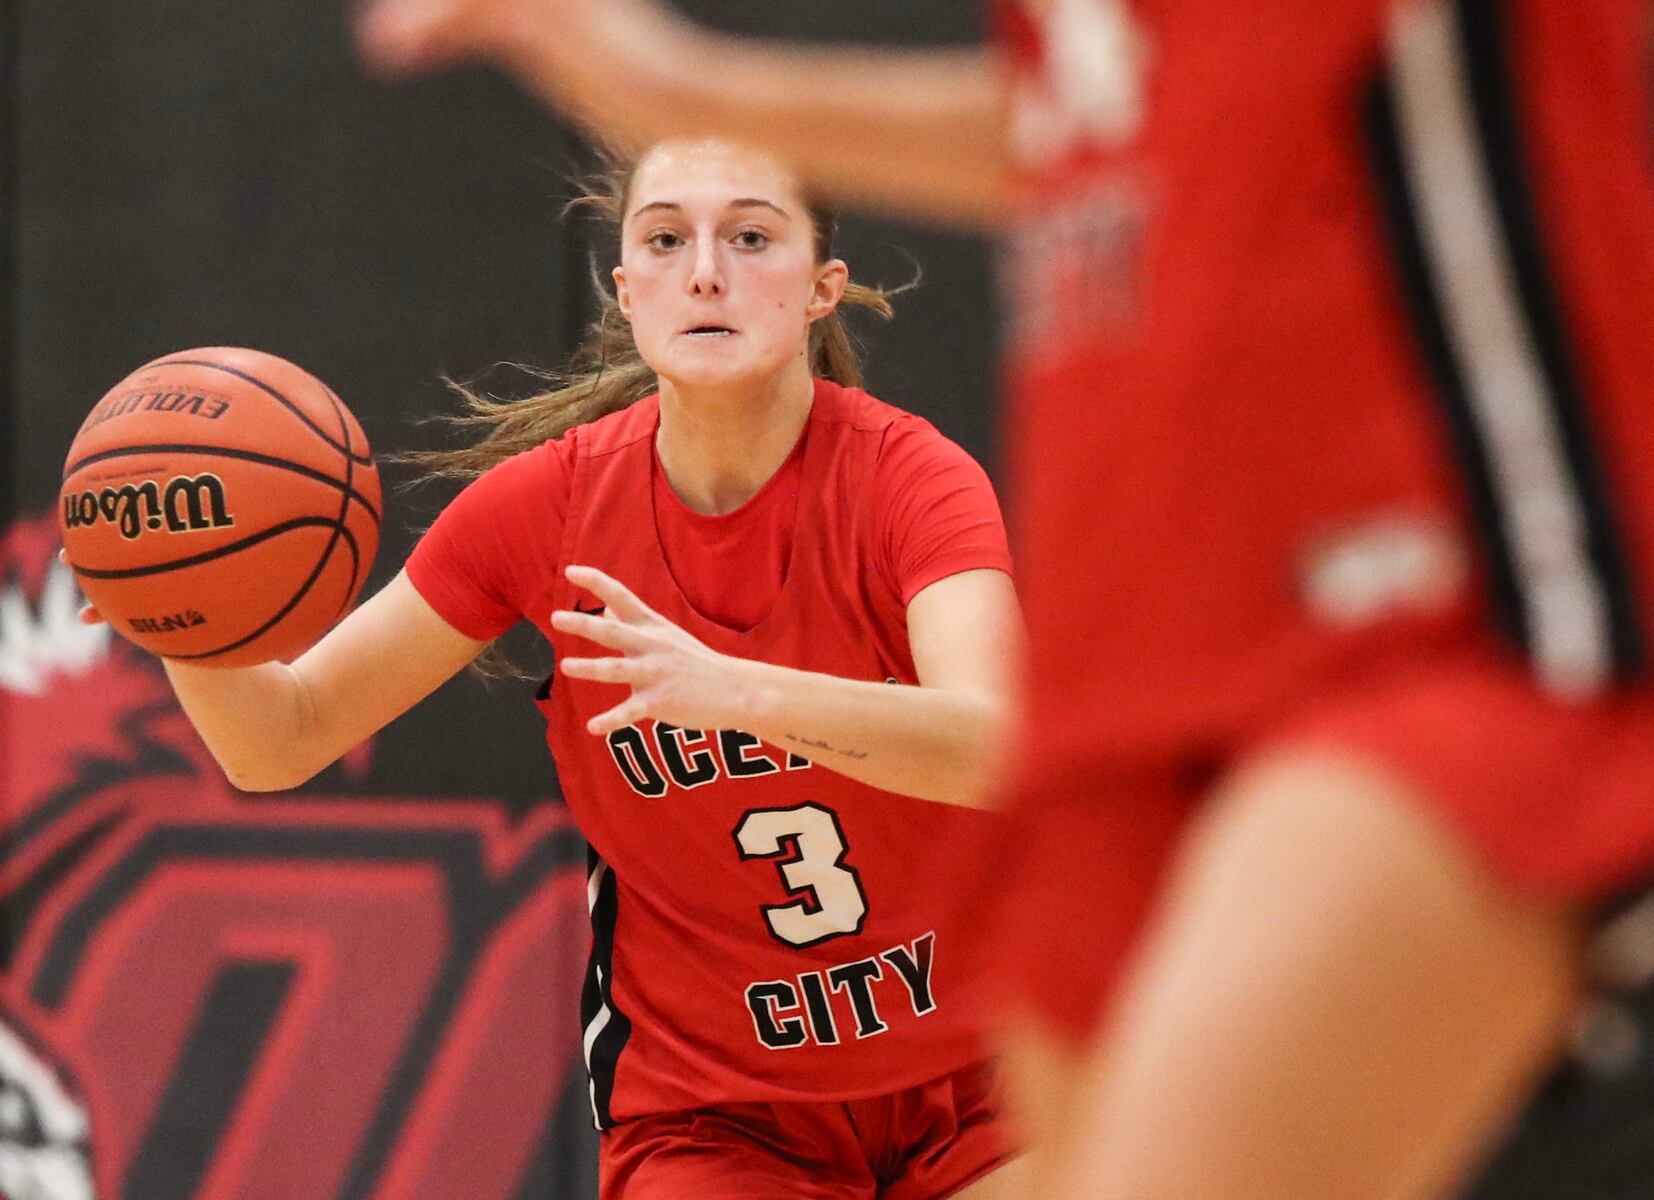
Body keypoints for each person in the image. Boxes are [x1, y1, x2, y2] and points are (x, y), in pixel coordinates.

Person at [353, 3, 1654, 1198]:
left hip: (1444, 607)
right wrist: (680, 76)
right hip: (1152, 677)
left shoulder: (897, 481)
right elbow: (1086, 129)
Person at [122, 138, 1025, 1199]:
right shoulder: (542, 510)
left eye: (748, 236)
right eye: (664, 240)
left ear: (822, 288)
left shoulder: (908, 480)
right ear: (625, 290)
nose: (703, 270)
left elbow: (1000, 746)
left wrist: (739, 691)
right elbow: (277, 738)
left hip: (981, 1077)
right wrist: (177, 600)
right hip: (716, 1113)